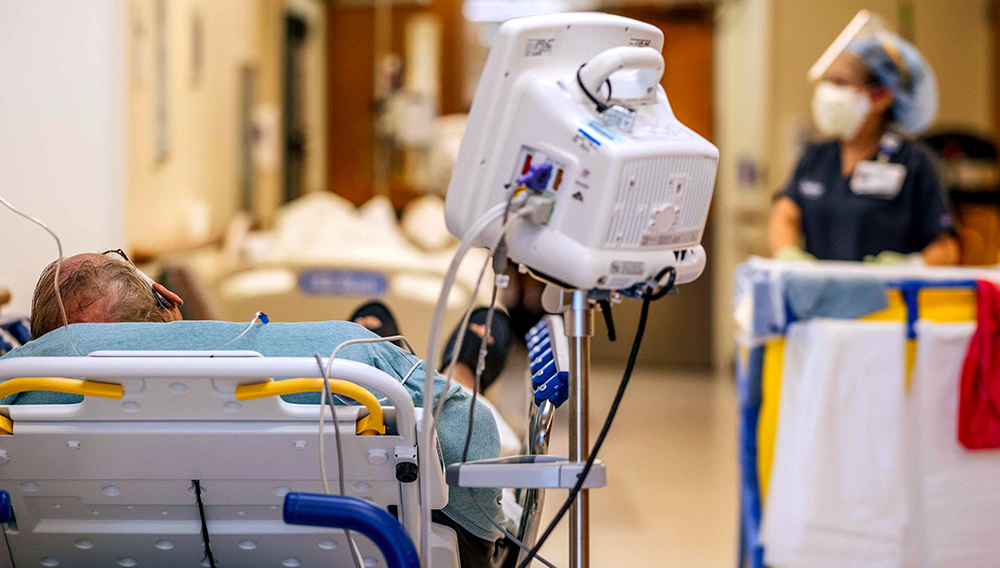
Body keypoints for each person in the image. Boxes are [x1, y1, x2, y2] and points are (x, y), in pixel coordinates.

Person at [17, 251, 513, 568]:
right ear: (167, 302)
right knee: (431, 391)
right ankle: (463, 366)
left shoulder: (16, 388)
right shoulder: (352, 357)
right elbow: (473, 434)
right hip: (363, 547)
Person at [768, 32, 960, 264]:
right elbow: (785, 214)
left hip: (885, 298)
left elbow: (946, 246)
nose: (829, 92)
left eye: (841, 82)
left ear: (880, 96)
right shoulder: (816, 156)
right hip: (821, 296)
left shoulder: (913, 162)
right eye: (827, 81)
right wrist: (788, 255)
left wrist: (910, 267)